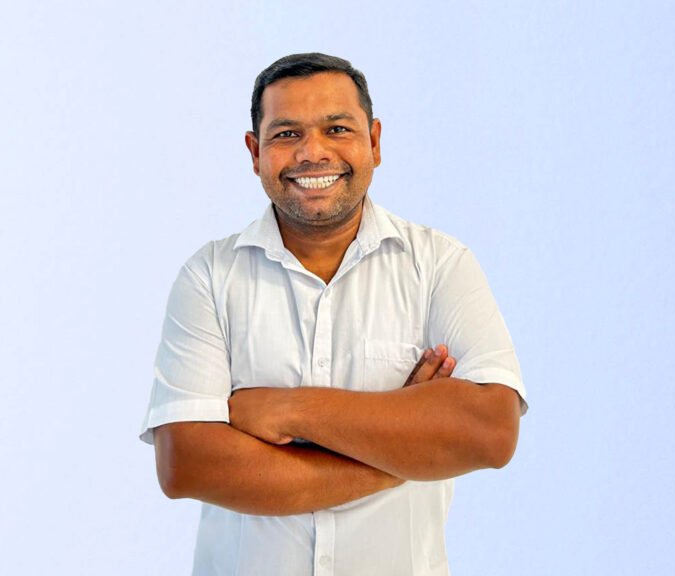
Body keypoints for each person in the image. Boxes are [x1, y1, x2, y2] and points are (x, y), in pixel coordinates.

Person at [139, 53, 527, 576]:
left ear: (375, 141)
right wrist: (405, 452)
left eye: (337, 129)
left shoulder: (439, 265)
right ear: (254, 152)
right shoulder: (208, 277)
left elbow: (491, 432)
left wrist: (288, 409)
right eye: (286, 134)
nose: (312, 152)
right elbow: (186, 465)